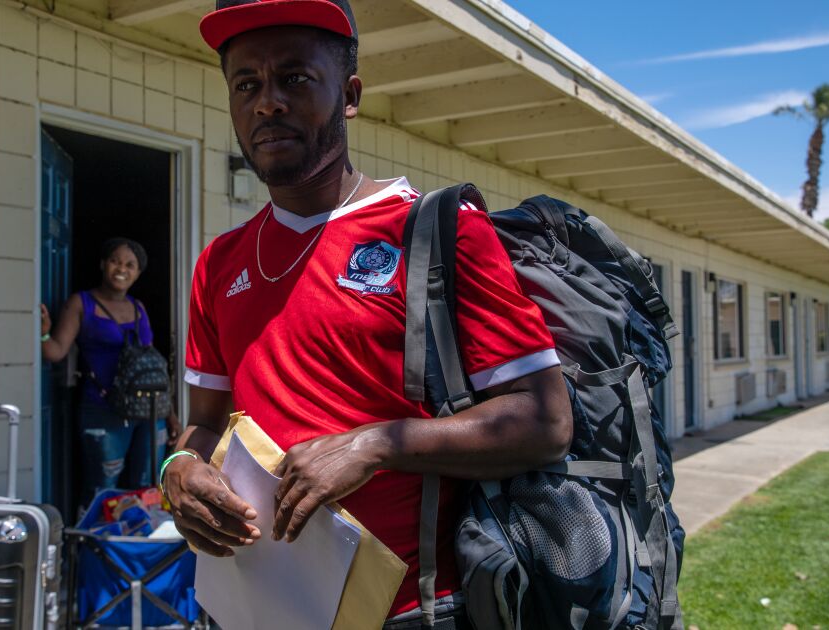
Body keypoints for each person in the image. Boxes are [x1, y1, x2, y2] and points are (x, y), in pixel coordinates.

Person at [161, 1, 574, 627]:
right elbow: (201, 426)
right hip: (249, 606)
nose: (266, 102)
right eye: (246, 84)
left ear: (350, 95)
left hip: (408, 611)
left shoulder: (437, 232)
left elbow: (545, 421)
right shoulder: (219, 263)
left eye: (295, 78)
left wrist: (377, 444)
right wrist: (177, 471)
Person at [40, 237, 181, 505]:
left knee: (148, 487)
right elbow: (56, 351)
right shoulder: (82, 304)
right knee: (103, 489)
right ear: (103, 264)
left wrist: (170, 414)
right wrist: (44, 334)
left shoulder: (138, 308)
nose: (122, 268)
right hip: (104, 412)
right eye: (115, 261)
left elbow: (150, 368)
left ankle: (135, 546)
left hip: (149, 414)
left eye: (130, 264)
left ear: (138, 273)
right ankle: (95, 546)